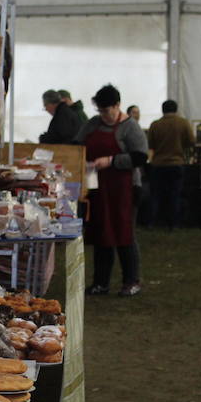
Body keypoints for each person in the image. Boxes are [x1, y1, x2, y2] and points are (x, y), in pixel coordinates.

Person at [79, 84, 148, 296]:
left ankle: (132, 281)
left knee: (124, 234)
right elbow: (77, 144)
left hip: (124, 188)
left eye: (107, 110)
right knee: (102, 234)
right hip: (98, 188)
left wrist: (111, 160)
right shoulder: (93, 124)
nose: (104, 115)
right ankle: (101, 282)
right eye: (100, 111)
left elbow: (141, 157)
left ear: (118, 106)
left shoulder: (130, 127)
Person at [146, 99, 196, 229]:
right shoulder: (183, 123)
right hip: (176, 163)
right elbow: (191, 141)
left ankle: (152, 222)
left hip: (158, 164)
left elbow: (151, 144)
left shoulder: (155, 125)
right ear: (176, 109)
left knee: (155, 195)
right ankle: (173, 224)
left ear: (162, 110)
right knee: (175, 194)